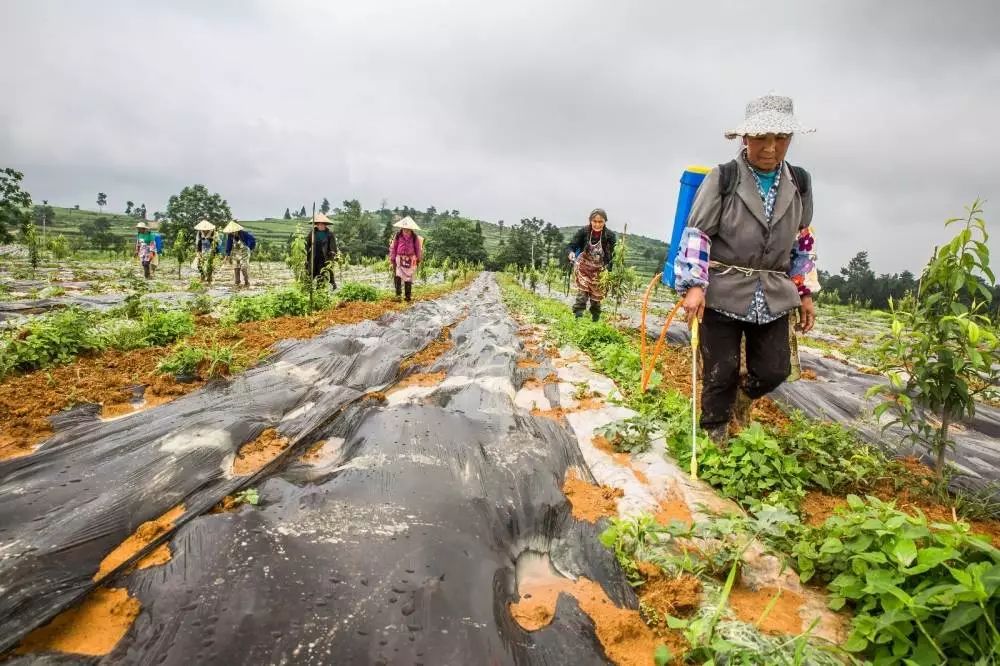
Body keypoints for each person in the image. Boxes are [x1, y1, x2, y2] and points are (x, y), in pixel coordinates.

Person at [674, 94, 820, 443]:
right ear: (746, 138)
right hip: (723, 289)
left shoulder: (799, 182)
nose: (770, 147)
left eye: (780, 138)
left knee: (775, 369)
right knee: (719, 371)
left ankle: (742, 398)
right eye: (762, 138)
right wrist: (695, 284)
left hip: (772, 293)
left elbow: (802, 240)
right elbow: (698, 233)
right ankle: (715, 435)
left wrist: (804, 291)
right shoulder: (723, 178)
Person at [567, 208, 617, 321]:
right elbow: (571, 245)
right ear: (590, 220)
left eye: (600, 222)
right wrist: (570, 253)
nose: (597, 224)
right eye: (594, 221)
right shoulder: (584, 232)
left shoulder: (609, 236)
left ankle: (595, 319)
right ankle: (578, 318)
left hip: (599, 271)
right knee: (582, 294)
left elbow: (614, 255)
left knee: (596, 298)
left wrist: (609, 270)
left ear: (605, 222)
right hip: (584, 267)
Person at [388, 216, 423, 302]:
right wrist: (392, 258)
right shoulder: (398, 235)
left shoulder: (414, 237)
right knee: (397, 276)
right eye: (404, 228)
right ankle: (398, 295)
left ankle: (408, 296)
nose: (406, 229)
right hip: (399, 258)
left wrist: (418, 259)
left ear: (411, 228)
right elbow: (393, 247)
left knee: (408, 277)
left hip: (410, 259)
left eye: (408, 228)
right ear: (402, 227)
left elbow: (418, 249)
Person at [305, 213, 338, 288]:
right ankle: (309, 289)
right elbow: (307, 245)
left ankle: (322, 289)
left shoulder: (330, 234)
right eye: (319, 224)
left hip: (325, 257)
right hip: (314, 257)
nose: (321, 226)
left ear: (325, 225)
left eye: (322, 224)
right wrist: (305, 255)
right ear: (316, 225)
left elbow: (333, 247)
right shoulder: (312, 233)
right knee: (311, 273)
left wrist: (332, 255)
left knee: (324, 273)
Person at [222, 221, 253, 288]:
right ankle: (237, 283)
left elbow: (252, 240)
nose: (233, 233)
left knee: (244, 267)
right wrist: (226, 257)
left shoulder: (244, 234)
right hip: (235, 253)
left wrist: (249, 246)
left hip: (244, 252)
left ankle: (247, 282)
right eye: (232, 231)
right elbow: (228, 246)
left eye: (234, 231)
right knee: (236, 268)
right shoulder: (230, 236)